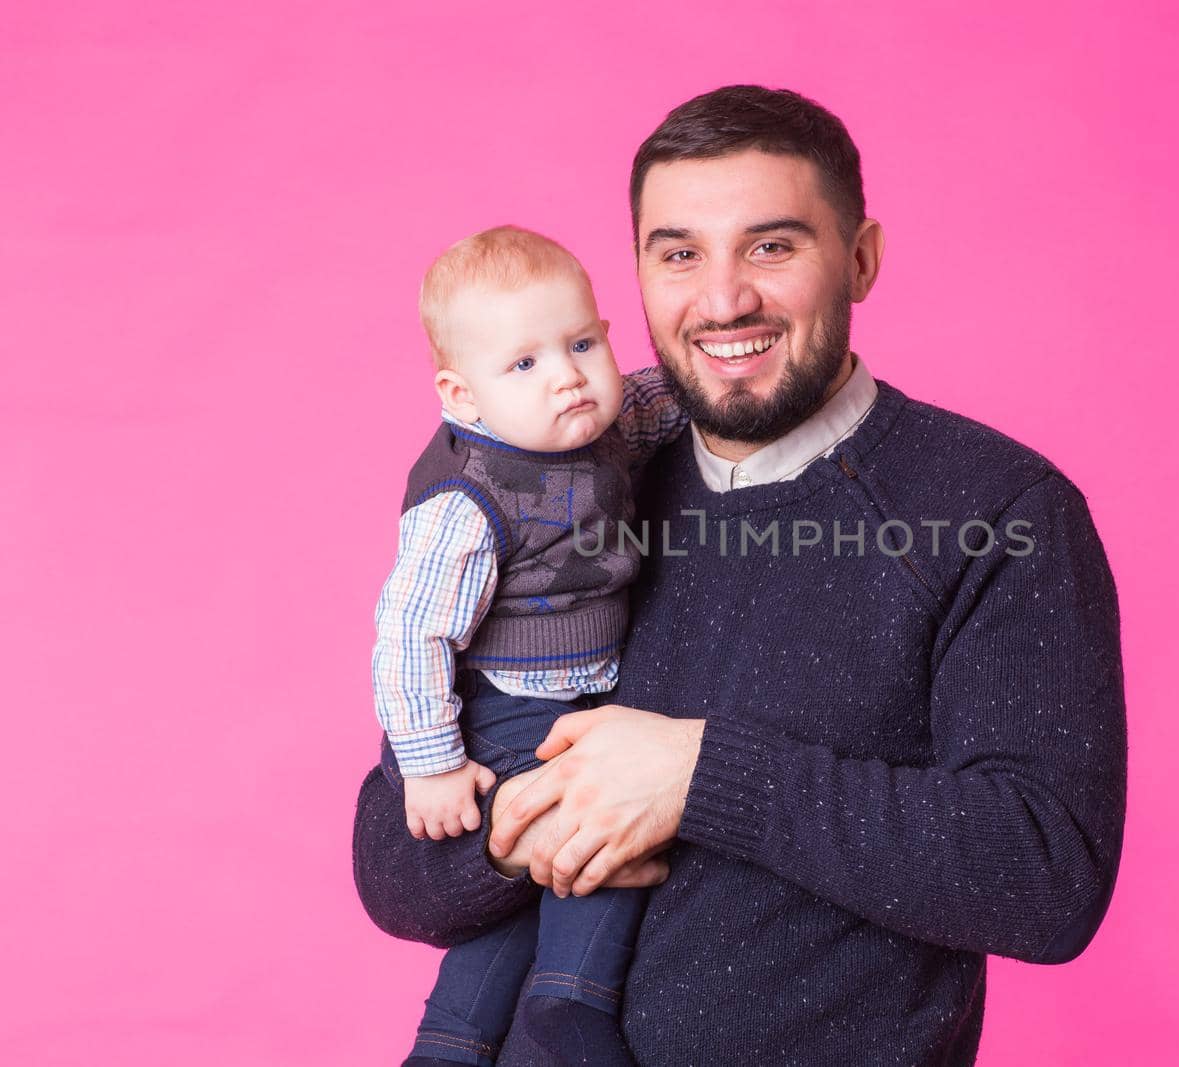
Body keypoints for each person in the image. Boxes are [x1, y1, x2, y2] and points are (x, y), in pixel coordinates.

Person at [354, 84, 1127, 1067]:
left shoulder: (992, 510)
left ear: (859, 259)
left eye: (771, 245)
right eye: (678, 253)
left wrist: (700, 775)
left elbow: (1044, 872)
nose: (722, 300)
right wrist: (513, 827)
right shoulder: (571, 479)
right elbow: (390, 862)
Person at [369, 225, 686, 1066]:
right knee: (594, 820)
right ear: (461, 394)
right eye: (524, 364)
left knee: (514, 894)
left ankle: (449, 1042)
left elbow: (663, 398)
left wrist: (712, 376)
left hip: (575, 688)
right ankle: (569, 1003)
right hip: (496, 709)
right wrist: (433, 761)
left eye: (582, 342)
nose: (568, 376)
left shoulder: (599, 421)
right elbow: (410, 633)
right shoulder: (466, 497)